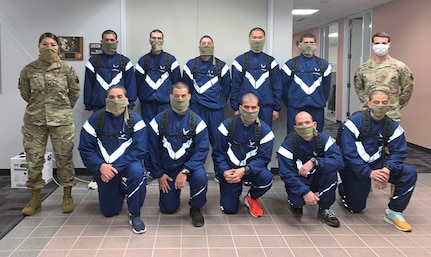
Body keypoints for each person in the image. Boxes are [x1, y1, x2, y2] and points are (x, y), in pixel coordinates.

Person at [18, 32, 80, 216]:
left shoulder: (66, 69)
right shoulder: (29, 69)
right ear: (38, 46)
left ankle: (67, 195)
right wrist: (39, 106)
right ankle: (35, 197)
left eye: (53, 44)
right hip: (34, 121)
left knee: (64, 157)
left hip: (61, 120)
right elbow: (25, 93)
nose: (49, 47)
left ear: (58, 47)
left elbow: (74, 92)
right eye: (45, 44)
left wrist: (61, 108)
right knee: (34, 159)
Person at [338, 89, 417, 232]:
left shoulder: (393, 126)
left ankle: (394, 212)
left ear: (389, 105)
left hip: (379, 165)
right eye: (376, 102)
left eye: (384, 103)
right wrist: (369, 173)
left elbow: (399, 152)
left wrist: (387, 170)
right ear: (369, 104)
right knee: (356, 208)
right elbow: (348, 153)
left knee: (409, 173)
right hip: (354, 168)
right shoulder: (354, 122)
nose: (380, 106)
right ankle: (344, 189)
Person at [78, 85, 148, 234]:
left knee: (137, 171)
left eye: (119, 97)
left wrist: (113, 168)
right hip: (104, 169)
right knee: (109, 211)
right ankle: (122, 188)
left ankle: (135, 214)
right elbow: (85, 148)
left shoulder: (136, 120)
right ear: (106, 100)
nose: (115, 100)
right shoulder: (96, 119)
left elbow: (139, 150)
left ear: (127, 99)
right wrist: (100, 166)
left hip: (126, 166)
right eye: (111, 97)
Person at [147, 82, 209, 227]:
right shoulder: (158, 121)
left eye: (183, 96)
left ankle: (195, 207)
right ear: (170, 97)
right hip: (167, 169)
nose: (180, 99)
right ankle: (172, 196)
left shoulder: (198, 122)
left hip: (189, 167)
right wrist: (159, 174)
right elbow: (151, 150)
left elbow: (202, 150)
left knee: (201, 177)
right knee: (168, 209)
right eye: (176, 96)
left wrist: (186, 170)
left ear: (189, 97)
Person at [277, 111, 343, 227]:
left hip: (318, 177)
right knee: (298, 202)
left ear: (314, 125)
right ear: (295, 128)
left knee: (331, 173)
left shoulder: (325, 140)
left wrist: (316, 162)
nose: (304, 126)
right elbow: (286, 174)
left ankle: (325, 208)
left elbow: (339, 161)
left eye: (307, 123)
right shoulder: (287, 146)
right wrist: (305, 191)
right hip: (300, 180)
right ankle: (295, 203)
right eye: (300, 124)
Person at [213, 93, 274, 217]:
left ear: (258, 109)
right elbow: (218, 154)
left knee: (266, 178)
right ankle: (230, 192)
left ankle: (251, 197)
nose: (250, 111)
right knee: (229, 209)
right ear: (240, 108)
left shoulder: (265, 132)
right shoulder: (226, 127)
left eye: (253, 107)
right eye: (246, 107)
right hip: (230, 172)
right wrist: (224, 172)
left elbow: (263, 159)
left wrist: (245, 170)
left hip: (251, 171)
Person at [182, 35, 231, 179]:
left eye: (209, 43)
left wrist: (219, 103)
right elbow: (186, 87)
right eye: (203, 43)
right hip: (196, 110)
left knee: (218, 142)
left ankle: (218, 171)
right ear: (199, 46)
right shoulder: (191, 65)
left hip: (216, 111)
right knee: (194, 141)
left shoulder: (221, 66)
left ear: (214, 46)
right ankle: (194, 170)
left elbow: (227, 88)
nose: (206, 45)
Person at [354, 32, 414, 123]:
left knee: (391, 136)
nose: (380, 46)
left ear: (389, 45)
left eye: (384, 43)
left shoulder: (400, 67)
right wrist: (368, 101)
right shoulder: (363, 68)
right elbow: (358, 88)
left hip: (391, 115)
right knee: (368, 136)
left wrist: (394, 104)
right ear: (372, 45)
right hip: (369, 114)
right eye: (377, 43)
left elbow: (408, 89)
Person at [230, 27, 282, 128]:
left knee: (264, 136)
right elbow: (235, 86)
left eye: (260, 37)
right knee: (244, 136)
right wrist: (235, 107)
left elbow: (277, 86)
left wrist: (276, 108)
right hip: (245, 108)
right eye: (254, 37)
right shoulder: (239, 61)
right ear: (249, 39)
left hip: (266, 108)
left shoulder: (271, 62)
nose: (257, 40)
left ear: (264, 39)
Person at [281, 32, 332, 133]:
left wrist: (319, 101)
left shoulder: (324, 65)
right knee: (294, 137)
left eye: (311, 42)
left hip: (316, 108)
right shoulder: (290, 65)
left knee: (317, 138)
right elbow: (284, 89)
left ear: (316, 45)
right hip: (295, 108)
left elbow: (326, 89)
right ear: (299, 44)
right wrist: (293, 102)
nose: (309, 45)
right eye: (306, 42)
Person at [84, 29, 137, 117]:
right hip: (99, 106)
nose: (109, 42)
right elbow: (88, 85)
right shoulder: (93, 61)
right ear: (102, 42)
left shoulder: (125, 62)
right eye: (106, 40)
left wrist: (130, 105)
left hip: (120, 107)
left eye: (112, 40)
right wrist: (89, 107)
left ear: (117, 42)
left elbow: (131, 85)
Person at [135, 29, 181, 125]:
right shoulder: (143, 61)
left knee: (165, 131)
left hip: (166, 105)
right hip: (147, 105)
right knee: (149, 131)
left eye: (159, 38)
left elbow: (177, 82)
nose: (156, 40)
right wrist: (144, 97)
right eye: (154, 38)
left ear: (163, 41)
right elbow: (137, 83)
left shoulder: (171, 60)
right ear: (149, 41)